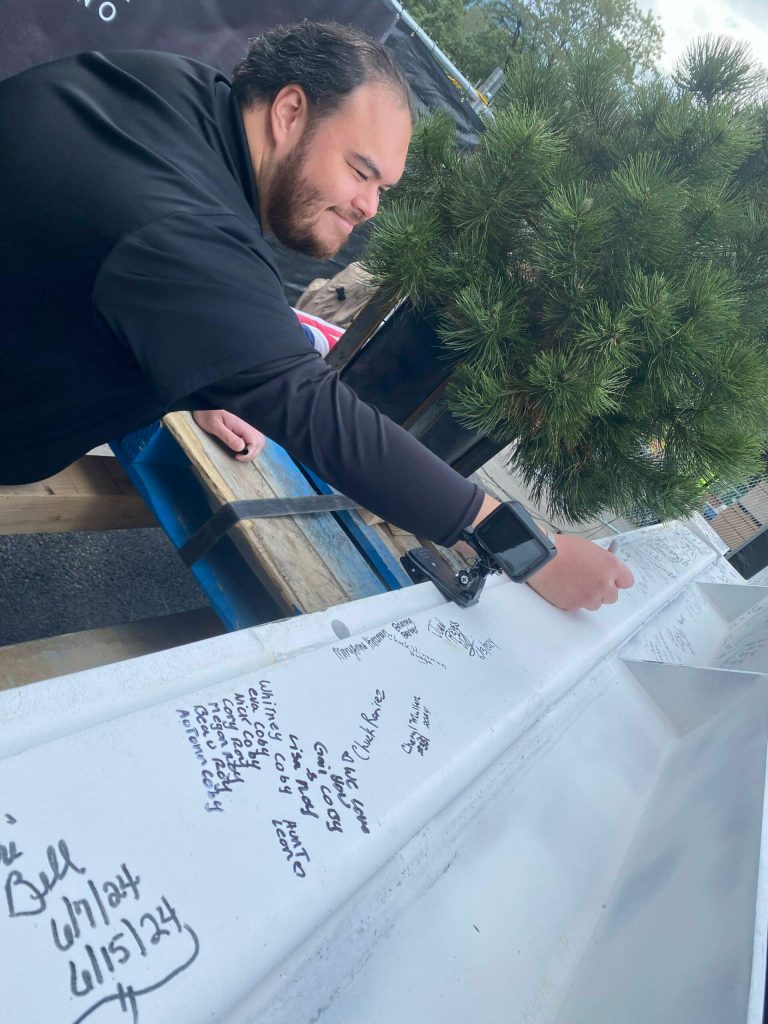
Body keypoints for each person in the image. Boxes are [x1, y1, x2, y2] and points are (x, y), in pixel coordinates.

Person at [0, 20, 632, 612]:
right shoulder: (180, 225)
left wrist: (199, 368)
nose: (369, 206)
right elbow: (314, 408)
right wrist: (521, 546)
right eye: (361, 172)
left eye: (383, 189)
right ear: (290, 112)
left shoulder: (173, 96)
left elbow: (112, 268)